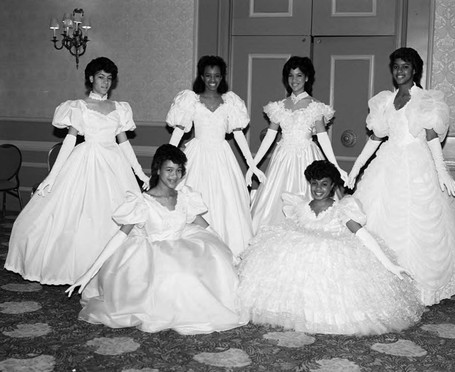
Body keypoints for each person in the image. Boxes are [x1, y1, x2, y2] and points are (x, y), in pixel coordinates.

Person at [66, 144, 246, 334]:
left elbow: (206, 227)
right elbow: (119, 236)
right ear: (158, 170)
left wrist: (229, 252)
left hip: (185, 248)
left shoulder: (185, 197)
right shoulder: (142, 202)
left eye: (178, 171)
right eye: (169, 170)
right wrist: (88, 274)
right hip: (152, 255)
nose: (174, 176)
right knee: (178, 277)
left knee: (206, 269)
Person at [5, 57, 149, 285]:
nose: (105, 82)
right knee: (80, 215)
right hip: (86, 161)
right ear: (91, 78)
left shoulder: (120, 108)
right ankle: (77, 268)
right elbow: (70, 141)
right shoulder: (79, 107)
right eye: (101, 77)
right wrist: (52, 176)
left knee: (119, 213)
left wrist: (140, 173)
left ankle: (115, 268)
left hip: (114, 164)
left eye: (109, 78)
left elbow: (124, 143)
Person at [347, 47, 455, 306]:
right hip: (388, 162)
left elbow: (432, 137)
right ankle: (380, 279)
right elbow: (376, 137)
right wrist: (357, 167)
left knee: (417, 222)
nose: (400, 71)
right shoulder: (384, 101)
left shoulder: (424, 100)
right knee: (378, 214)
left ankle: (419, 285)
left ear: (415, 70)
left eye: (405, 66)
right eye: (396, 67)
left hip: (417, 165)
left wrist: (442, 172)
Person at [238, 160, 423, 335]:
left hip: (332, 258)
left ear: (332, 186)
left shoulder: (341, 209)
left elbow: (362, 234)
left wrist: (388, 264)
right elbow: (291, 229)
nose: (318, 189)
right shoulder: (299, 207)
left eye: (324, 184)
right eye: (314, 183)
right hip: (301, 258)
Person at [166, 55, 264, 257]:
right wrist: (165, 159)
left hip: (222, 155)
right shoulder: (191, 101)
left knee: (226, 200)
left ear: (222, 78)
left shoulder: (230, 102)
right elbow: (179, 131)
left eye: (217, 76)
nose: (213, 80)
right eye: (208, 75)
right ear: (202, 76)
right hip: (198, 155)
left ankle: (228, 251)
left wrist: (251, 164)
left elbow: (238, 134)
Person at [249, 56, 347, 233]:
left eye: (299, 76)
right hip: (282, 157)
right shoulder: (279, 106)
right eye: (291, 76)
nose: (294, 80)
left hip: (307, 155)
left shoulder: (315, 106)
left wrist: (336, 167)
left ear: (307, 78)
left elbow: (323, 137)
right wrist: (253, 164)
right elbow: (270, 136)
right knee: (273, 202)